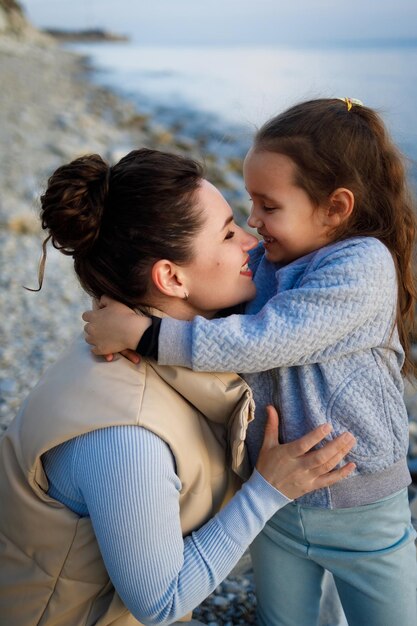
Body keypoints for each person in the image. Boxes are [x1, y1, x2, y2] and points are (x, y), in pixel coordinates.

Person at [84, 99, 417, 626]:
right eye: (248, 204)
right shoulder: (268, 258)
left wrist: (147, 335)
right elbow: (206, 290)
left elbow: (266, 339)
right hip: (278, 501)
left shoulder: (363, 267)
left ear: (335, 208)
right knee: (285, 620)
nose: (253, 222)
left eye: (269, 206)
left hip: (363, 508)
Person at [0, 148, 356, 626]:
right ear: (171, 277)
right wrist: (270, 490)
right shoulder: (125, 436)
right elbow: (161, 603)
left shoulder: (154, 339)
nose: (252, 242)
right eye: (229, 234)